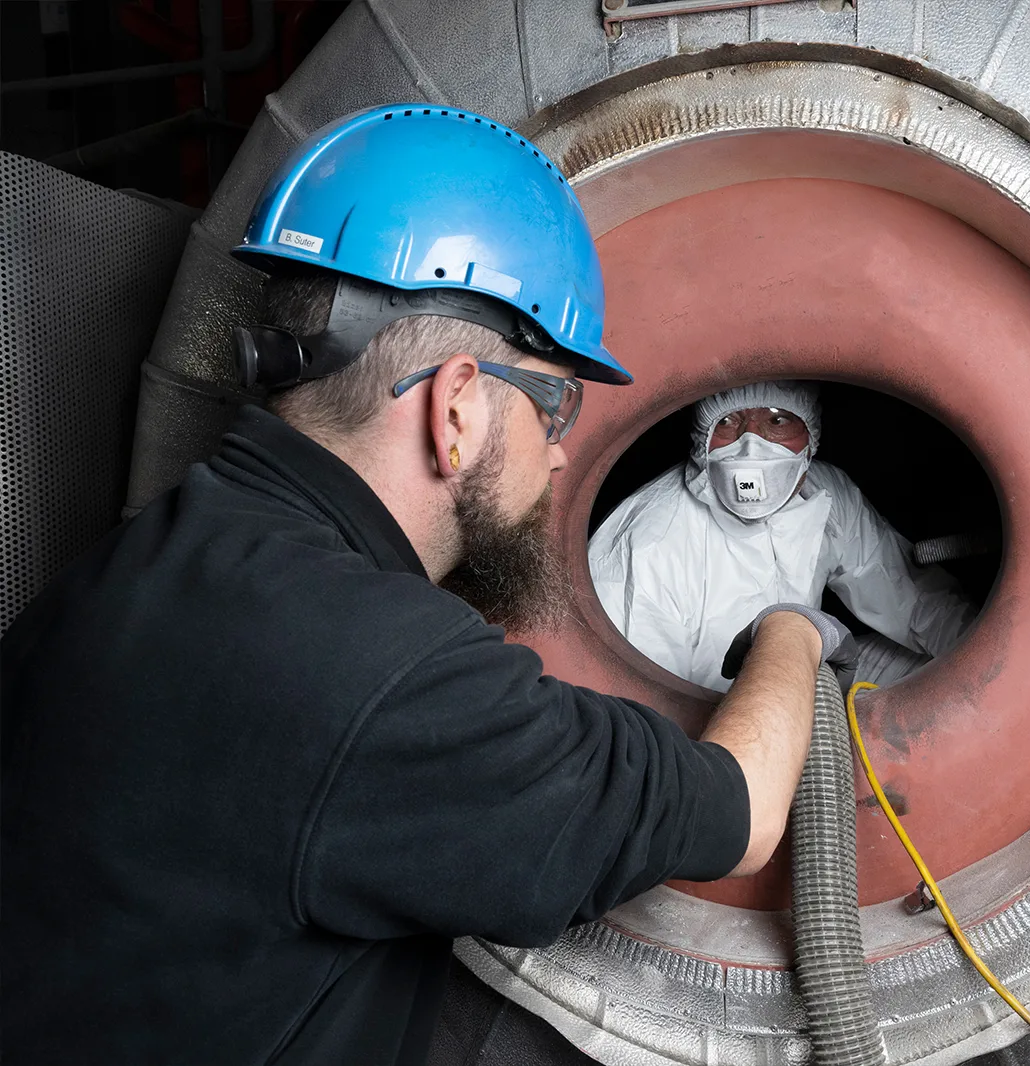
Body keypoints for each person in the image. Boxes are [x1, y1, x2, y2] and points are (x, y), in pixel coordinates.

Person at [0, 104, 850, 1066]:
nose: (566, 457)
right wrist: (790, 625)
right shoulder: (381, 675)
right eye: (554, 402)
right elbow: (738, 810)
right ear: (456, 407)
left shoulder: (140, 566)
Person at [589, 381, 976, 692]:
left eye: (777, 420)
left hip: (801, 682)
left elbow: (910, 598)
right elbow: (639, 707)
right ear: (701, 438)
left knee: (953, 676)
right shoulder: (649, 541)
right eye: (728, 422)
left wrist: (996, 661)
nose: (751, 444)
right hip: (707, 729)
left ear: (810, 436)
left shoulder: (826, 494)